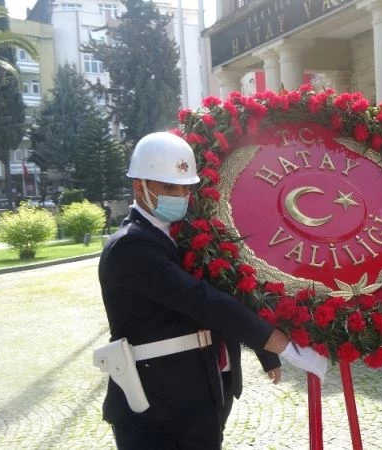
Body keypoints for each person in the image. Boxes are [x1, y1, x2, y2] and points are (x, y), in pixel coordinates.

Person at [96, 131, 328, 449]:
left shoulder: (184, 237)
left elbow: (231, 289)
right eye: (168, 187)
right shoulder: (131, 246)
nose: (180, 195)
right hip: (153, 408)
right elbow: (203, 301)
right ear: (140, 186)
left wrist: (265, 350)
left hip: (199, 395)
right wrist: (281, 345)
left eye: (185, 187)